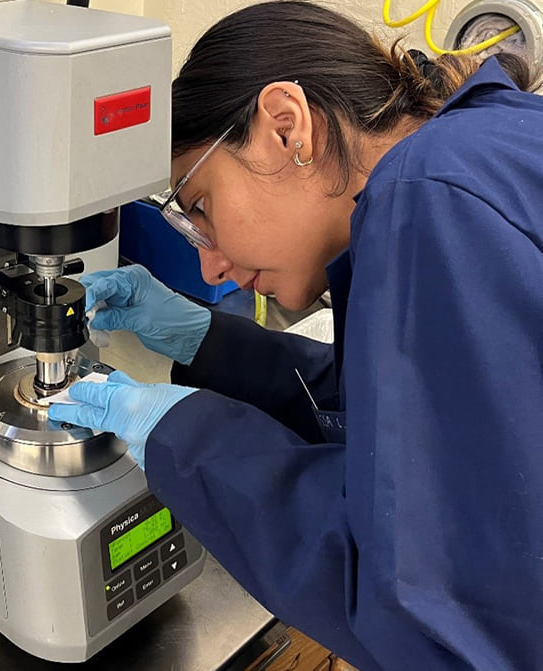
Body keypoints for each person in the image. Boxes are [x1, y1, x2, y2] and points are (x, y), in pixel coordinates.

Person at [47, 2, 543, 670]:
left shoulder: (424, 199)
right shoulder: (486, 145)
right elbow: (418, 421)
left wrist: (185, 435)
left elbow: (427, 615)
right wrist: (203, 339)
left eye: (200, 209)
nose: (210, 264)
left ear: (286, 127)